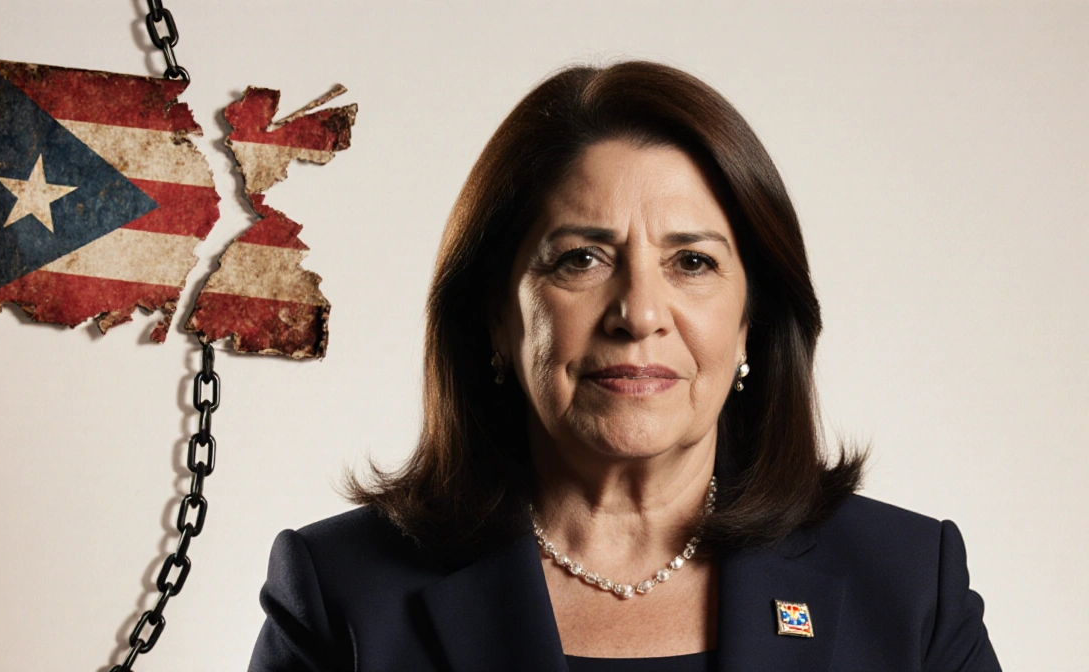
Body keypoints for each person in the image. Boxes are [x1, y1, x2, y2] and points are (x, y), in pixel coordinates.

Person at [247, 61, 1000, 671]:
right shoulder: (339, 591)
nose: (639, 312)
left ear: (752, 325)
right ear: (495, 319)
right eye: (581, 259)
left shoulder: (908, 586)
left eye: (693, 262)